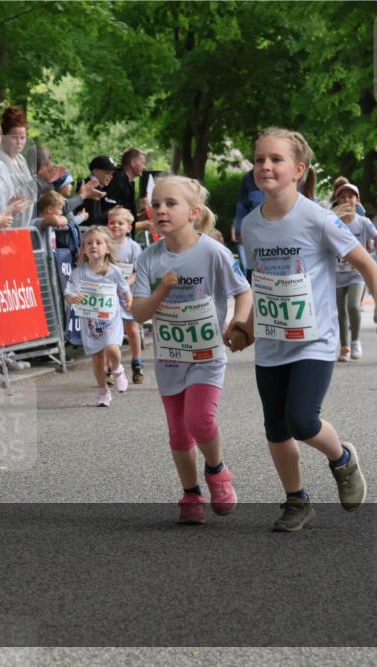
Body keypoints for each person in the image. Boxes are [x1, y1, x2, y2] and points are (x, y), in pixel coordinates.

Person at [236, 127, 377, 532]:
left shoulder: (318, 218)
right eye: (259, 159)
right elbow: (262, 281)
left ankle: (342, 459)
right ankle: (297, 501)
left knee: (302, 421)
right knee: (275, 427)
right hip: (273, 342)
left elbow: (368, 265)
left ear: (299, 169)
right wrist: (248, 328)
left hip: (315, 341)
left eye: (276, 159)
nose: (265, 166)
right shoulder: (252, 225)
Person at [130, 176, 252, 525]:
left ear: (194, 212)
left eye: (170, 204)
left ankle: (217, 471)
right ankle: (191, 492)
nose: (161, 210)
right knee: (178, 431)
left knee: (200, 419)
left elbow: (244, 292)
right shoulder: (149, 258)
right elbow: (138, 313)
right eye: (156, 205)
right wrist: (161, 292)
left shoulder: (212, 251)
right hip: (170, 359)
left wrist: (237, 324)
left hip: (206, 356)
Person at [64, 226, 131, 407]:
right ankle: (103, 391)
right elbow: (69, 292)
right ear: (84, 249)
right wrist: (74, 298)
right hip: (90, 322)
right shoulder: (79, 272)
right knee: (97, 358)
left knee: (112, 348)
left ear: (107, 248)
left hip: (111, 320)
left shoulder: (114, 271)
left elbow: (125, 289)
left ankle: (117, 369)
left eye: (98, 242)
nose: (94, 246)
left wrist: (129, 302)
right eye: (89, 243)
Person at [331, 182, 377, 362]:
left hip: (356, 274)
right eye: (342, 197)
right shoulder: (332, 222)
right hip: (336, 273)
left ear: (357, 201)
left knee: (353, 306)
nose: (346, 200)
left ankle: (355, 341)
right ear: (337, 200)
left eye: (351, 196)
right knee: (340, 311)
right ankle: (344, 347)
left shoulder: (363, 222)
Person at [106, 208, 145, 384]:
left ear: (129, 227)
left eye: (120, 223)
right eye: (112, 223)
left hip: (128, 293)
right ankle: (111, 367)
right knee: (110, 331)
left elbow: (138, 271)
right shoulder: (104, 244)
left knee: (132, 328)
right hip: (109, 294)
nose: (115, 226)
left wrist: (124, 285)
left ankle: (137, 362)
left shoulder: (133, 247)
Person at [0, 106, 37, 226]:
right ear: (4, 137)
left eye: (22, 138)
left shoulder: (21, 160)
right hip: (7, 222)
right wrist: (40, 179)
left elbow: (30, 191)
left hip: (25, 221)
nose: (19, 142)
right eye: (14, 138)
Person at [104, 148, 152, 233]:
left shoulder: (129, 182)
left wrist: (142, 216)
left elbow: (127, 215)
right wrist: (144, 224)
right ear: (133, 163)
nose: (144, 167)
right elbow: (114, 217)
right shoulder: (118, 180)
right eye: (142, 163)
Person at [232, 169, 264, 284]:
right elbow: (242, 207)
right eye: (259, 160)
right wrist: (239, 229)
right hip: (253, 235)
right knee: (249, 270)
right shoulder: (248, 179)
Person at [79, 155, 117, 228]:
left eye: (112, 173)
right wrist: (112, 212)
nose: (111, 176)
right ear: (95, 171)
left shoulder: (98, 187)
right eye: (108, 172)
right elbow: (93, 219)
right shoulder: (91, 188)